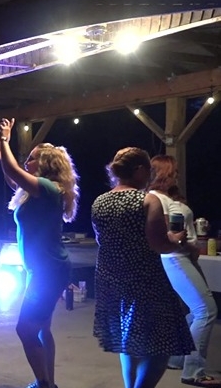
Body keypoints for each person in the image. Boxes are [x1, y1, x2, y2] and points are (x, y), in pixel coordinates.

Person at [91, 147, 193, 388]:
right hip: (144, 282)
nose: (150, 175)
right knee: (161, 346)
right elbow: (159, 245)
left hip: (111, 282)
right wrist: (176, 238)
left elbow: (101, 240)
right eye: (148, 169)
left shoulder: (99, 201)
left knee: (129, 340)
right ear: (138, 170)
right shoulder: (148, 200)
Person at [0, 118, 80, 388]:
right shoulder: (36, 191)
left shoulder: (46, 188)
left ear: (45, 165)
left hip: (48, 270)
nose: (26, 163)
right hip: (44, 268)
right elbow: (12, 176)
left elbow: (13, 171)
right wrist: (1, 149)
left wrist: (5, 142)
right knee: (41, 327)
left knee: (25, 328)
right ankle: (48, 381)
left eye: (31, 159)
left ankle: (44, 384)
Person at [148, 155, 219, 387]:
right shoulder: (157, 198)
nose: (177, 175)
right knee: (206, 311)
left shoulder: (170, 197)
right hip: (176, 257)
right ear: (163, 173)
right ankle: (194, 371)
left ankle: (177, 358)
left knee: (192, 311)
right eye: (173, 171)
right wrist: (188, 244)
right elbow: (168, 235)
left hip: (185, 257)